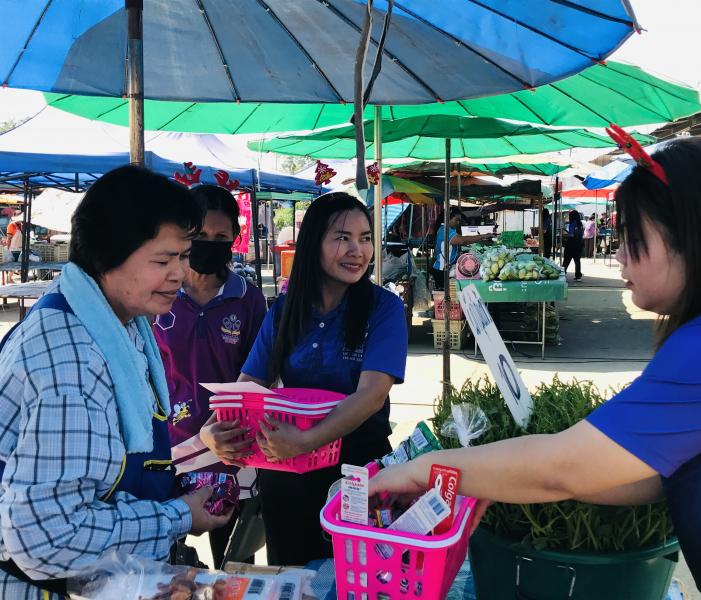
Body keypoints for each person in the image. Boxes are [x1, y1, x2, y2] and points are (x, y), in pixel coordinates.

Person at [370, 136, 701, 599]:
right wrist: (497, 480)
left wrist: (424, 468)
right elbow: (649, 474)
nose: (618, 255)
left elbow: (566, 466)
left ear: (693, 235)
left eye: (634, 239)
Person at [0, 166, 230, 599]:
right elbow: (48, 538)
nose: (179, 274)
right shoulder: (68, 361)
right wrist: (177, 516)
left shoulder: (115, 324)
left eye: (183, 256)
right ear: (107, 256)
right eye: (163, 260)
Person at [200, 192, 408, 565]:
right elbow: (249, 384)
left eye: (364, 238)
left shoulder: (383, 307)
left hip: (358, 472)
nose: (357, 250)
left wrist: (308, 440)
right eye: (342, 237)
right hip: (285, 473)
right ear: (313, 244)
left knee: (356, 575)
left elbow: (372, 395)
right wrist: (210, 433)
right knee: (291, 576)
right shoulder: (284, 310)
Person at [153, 184, 267, 569]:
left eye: (221, 237)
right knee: (162, 569)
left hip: (231, 454)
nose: (210, 244)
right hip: (168, 453)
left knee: (236, 567)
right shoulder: (159, 294)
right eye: (200, 236)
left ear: (236, 237)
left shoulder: (249, 300)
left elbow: (262, 377)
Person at [431, 207, 492, 289]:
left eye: (459, 220)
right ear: (448, 218)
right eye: (456, 220)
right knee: (445, 296)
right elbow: (462, 241)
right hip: (442, 270)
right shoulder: (445, 230)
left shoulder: (449, 229)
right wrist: (482, 236)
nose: (458, 222)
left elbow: (463, 241)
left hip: (446, 268)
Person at [562, 209, 584, 281]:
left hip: (571, 244)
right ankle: (578, 276)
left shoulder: (572, 223)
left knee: (567, 259)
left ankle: (563, 273)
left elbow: (571, 235)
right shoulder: (580, 224)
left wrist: (564, 235)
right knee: (577, 260)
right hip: (579, 244)